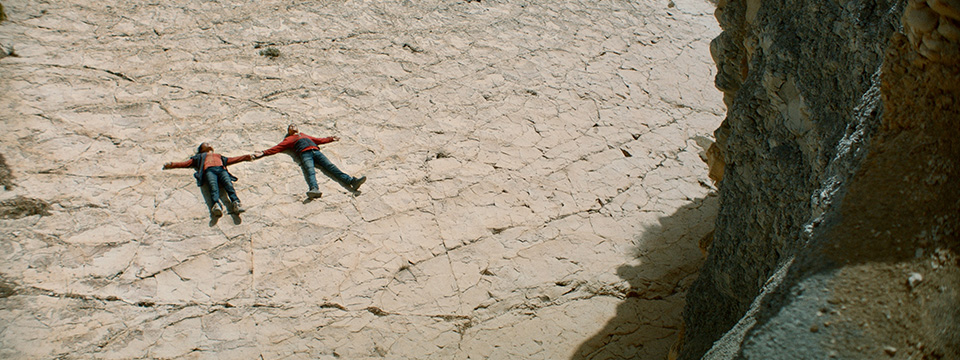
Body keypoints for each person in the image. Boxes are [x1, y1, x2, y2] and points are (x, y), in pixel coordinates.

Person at [254, 124, 366, 198]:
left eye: (295, 125)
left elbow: (318, 140)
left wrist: (331, 139)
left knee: (331, 167)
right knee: (310, 170)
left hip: (316, 151)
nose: (293, 127)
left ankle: (352, 181)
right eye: (291, 126)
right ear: (288, 131)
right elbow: (278, 147)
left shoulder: (303, 135)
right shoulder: (288, 139)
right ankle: (314, 189)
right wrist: (264, 152)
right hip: (305, 153)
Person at [163, 142, 253, 217]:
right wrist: (172, 164)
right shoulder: (200, 157)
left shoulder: (218, 155)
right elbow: (186, 163)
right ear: (201, 149)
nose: (208, 144)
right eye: (205, 144)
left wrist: (245, 157)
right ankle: (216, 204)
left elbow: (231, 159)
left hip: (221, 169)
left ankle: (236, 203)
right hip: (209, 171)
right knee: (213, 187)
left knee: (229, 185)